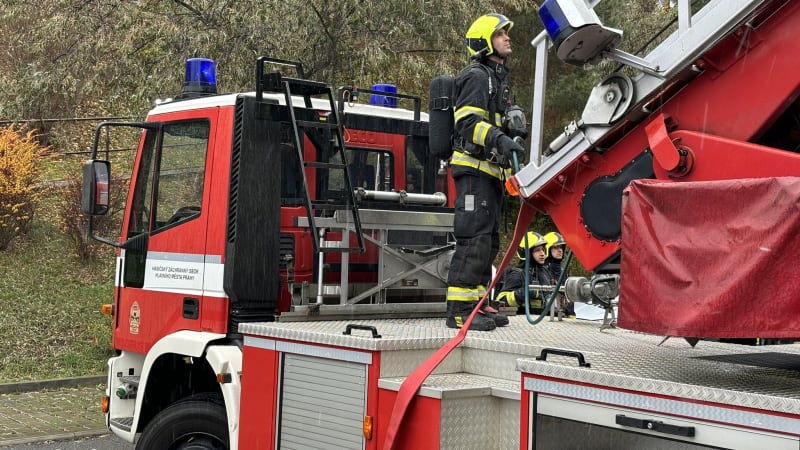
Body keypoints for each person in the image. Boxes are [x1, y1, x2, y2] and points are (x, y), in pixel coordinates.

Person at [445, 13, 526, 331]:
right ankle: (459, 310)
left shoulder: (497, 79)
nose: (507, 38)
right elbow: (467, 124)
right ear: (483, 42)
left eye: (506, 33)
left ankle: (478, 303)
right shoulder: (477, 76)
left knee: (489, 241)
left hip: (490, 173)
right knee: (473, 239)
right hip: (472, 172)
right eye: (499, 34)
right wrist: (500, 139)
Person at [495, 232, 551, 314]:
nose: (542, 253)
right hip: (522, 318)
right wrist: (524, 293)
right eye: (537, 250)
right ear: (525, 252)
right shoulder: (517, 274)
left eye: (543, 249)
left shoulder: (544, 273)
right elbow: (500, 300)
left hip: (542, 319)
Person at [544, 231, 574, 317]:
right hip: (547, 316)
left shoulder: (564, 272)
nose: (560, 250)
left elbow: (569, 298)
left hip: (563, 316)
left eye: (561, 247)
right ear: (547, 249)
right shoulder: (543, 271)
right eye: (556, 247)